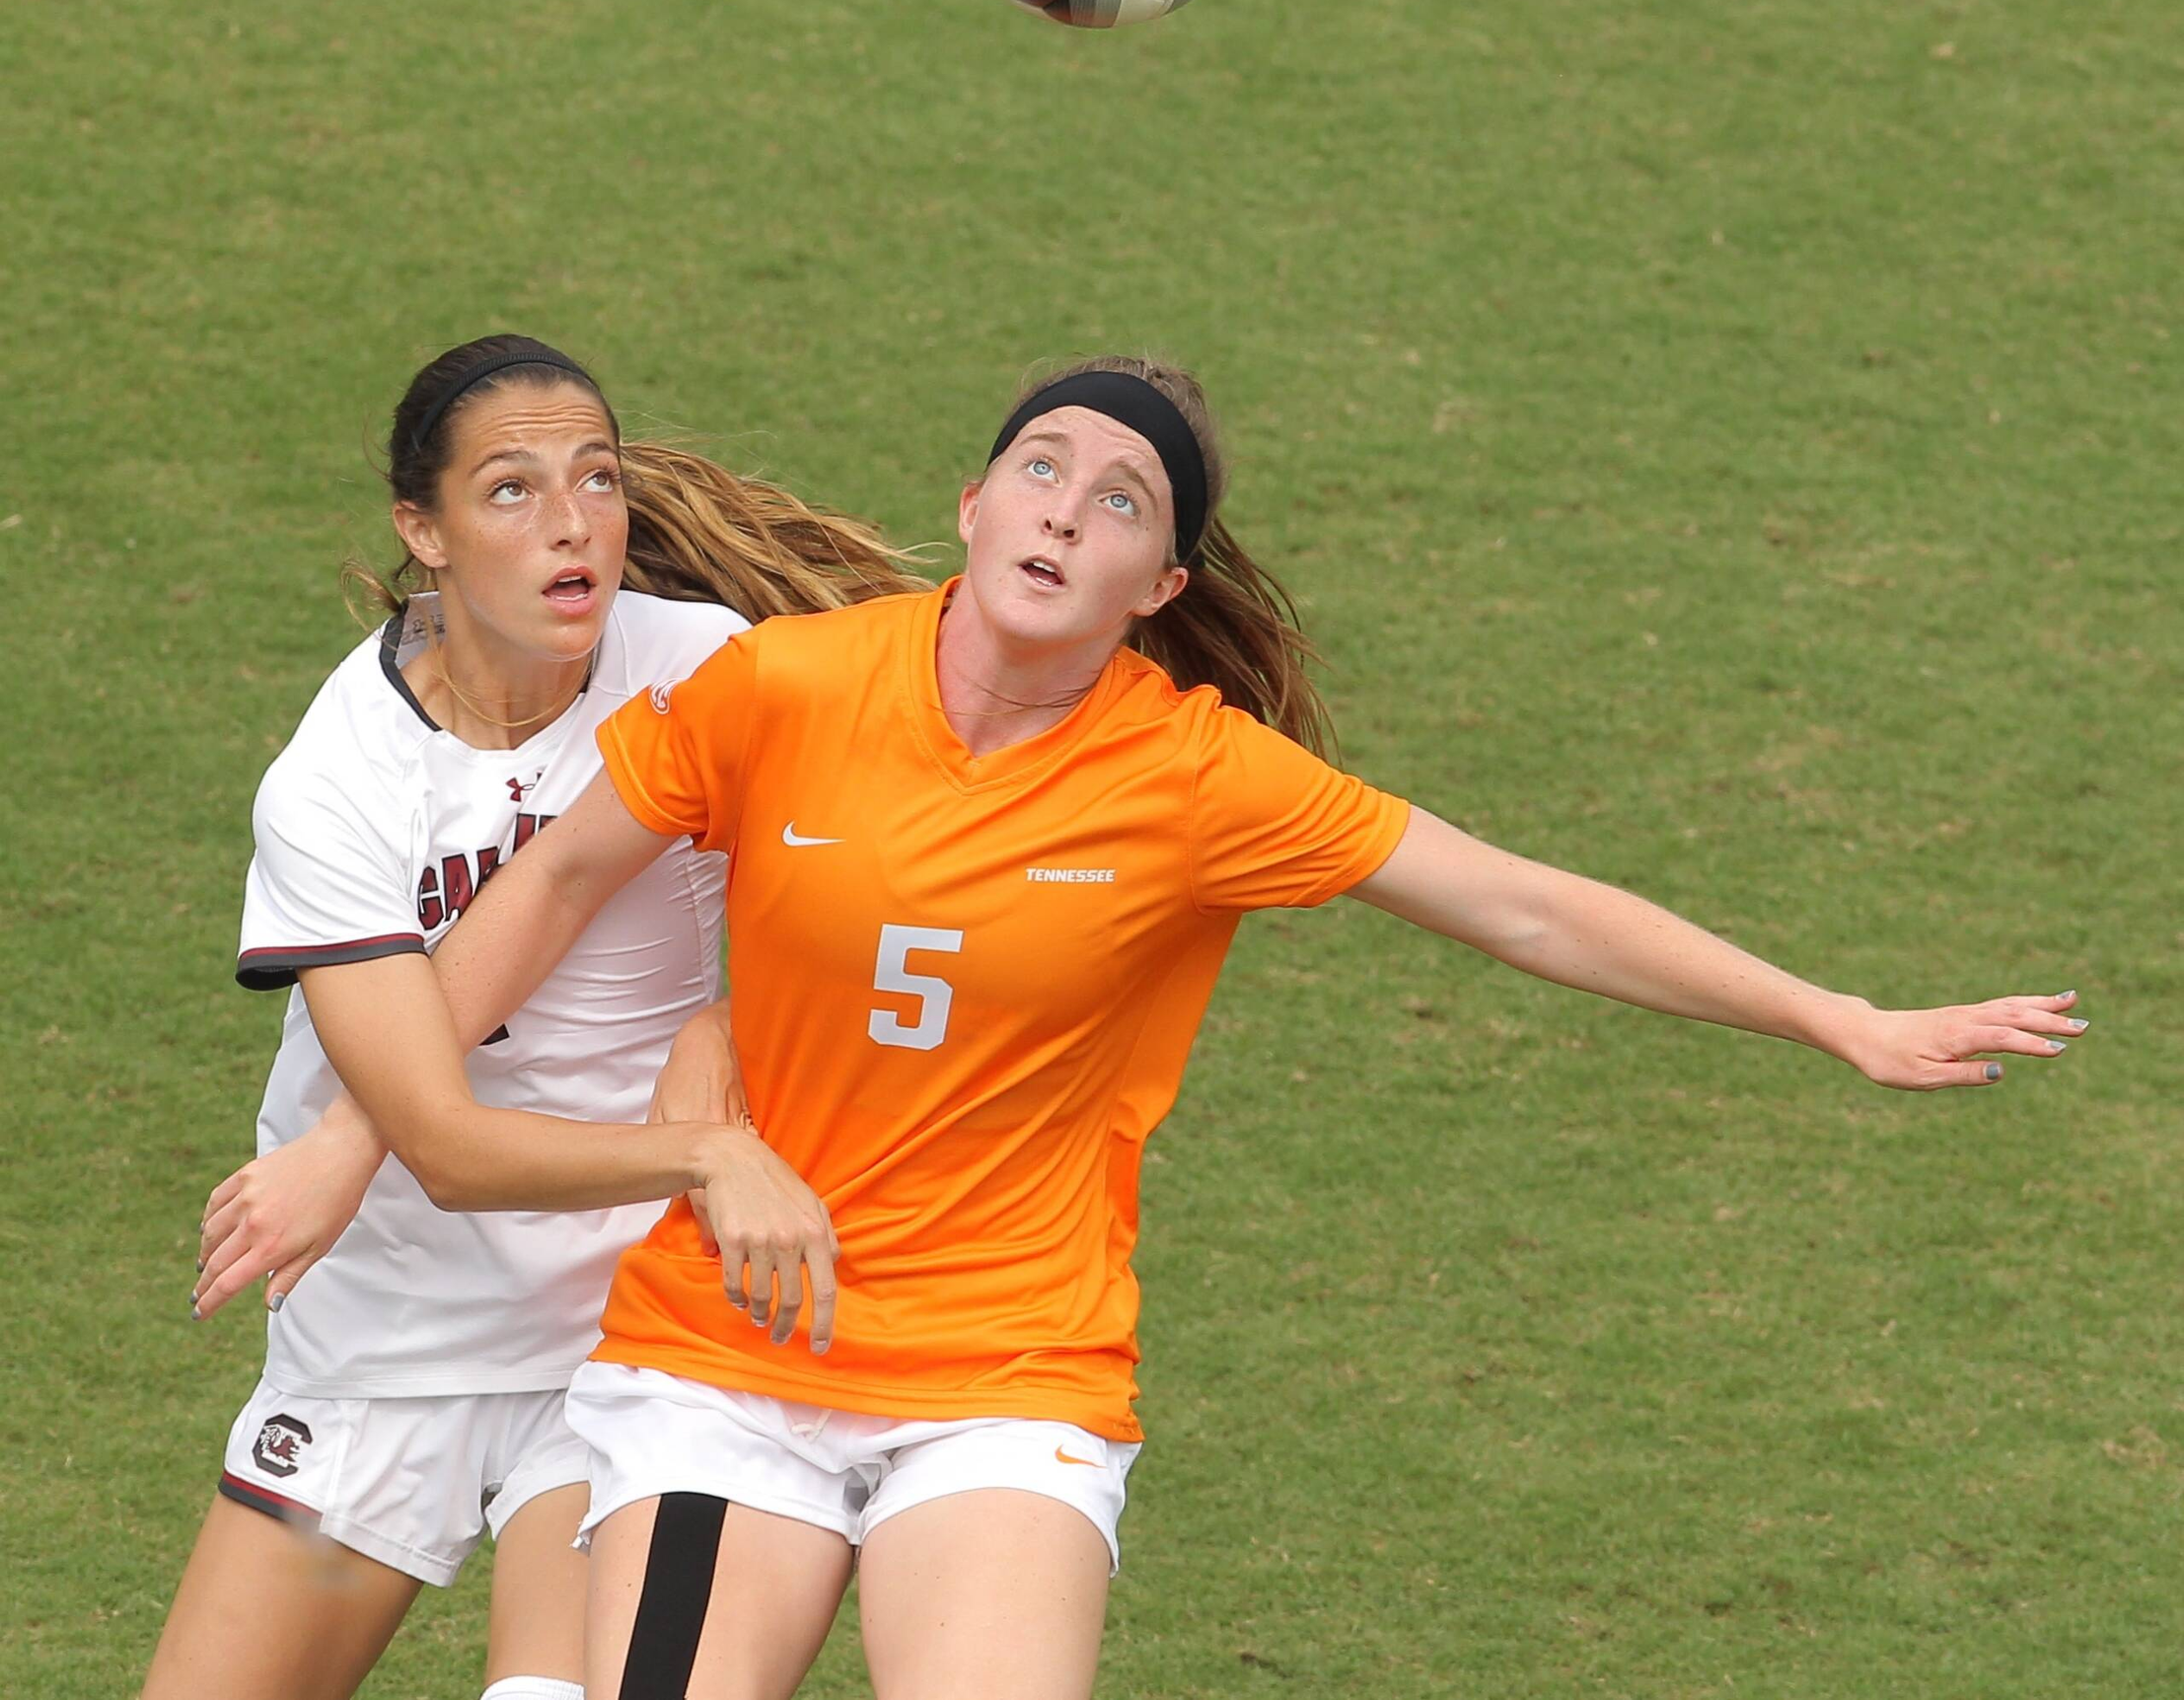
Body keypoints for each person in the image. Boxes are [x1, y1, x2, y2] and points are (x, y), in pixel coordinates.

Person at [350, 354, 2083, 1700]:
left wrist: (1829, 1014)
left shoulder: (1196, 780)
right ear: (970, 503)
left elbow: (1526, 904)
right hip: (723, 1367)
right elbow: (554, 888)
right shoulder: (786, 690)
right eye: (1041, 469)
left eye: (1116, 501)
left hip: (1003, 1379)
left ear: (1159, 582)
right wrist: (358, 1136)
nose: (1064, 510)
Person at [145, 334, 916, 1700]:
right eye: (509, 491)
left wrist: (717, 1040)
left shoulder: (711, 670)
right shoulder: (338, 783)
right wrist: (706, 1153)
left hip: (626, 1337)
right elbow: (445, 1142)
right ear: (421, 533)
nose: (572, 525)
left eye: (596, 478)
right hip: (385, 1337)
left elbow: (856, 911)